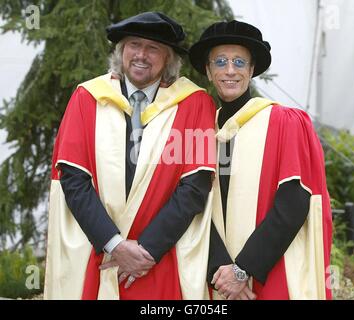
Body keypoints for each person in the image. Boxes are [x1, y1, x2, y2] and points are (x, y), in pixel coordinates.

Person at [44, 11, 217, 300]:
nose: (141, 55)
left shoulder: (194, 103)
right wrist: (115, 245)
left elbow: (195, 186)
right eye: (134, 45)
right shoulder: (88, 97)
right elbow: (73, 180)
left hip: (160, 257)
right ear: (121, 50)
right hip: (98, 252)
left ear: (168, 59)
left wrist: (146, 250)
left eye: (153, 48)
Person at [189, 20, 333, 300]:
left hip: (272, 272)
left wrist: (243, 270)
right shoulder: (203, 130)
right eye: (220, 61)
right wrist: (222, 271)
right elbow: (196, 204)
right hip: (219, 279)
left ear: (251, 70)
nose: (230, 70)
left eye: (239, 62)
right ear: (208, 70)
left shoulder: (283, 122)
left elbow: (293, 203)